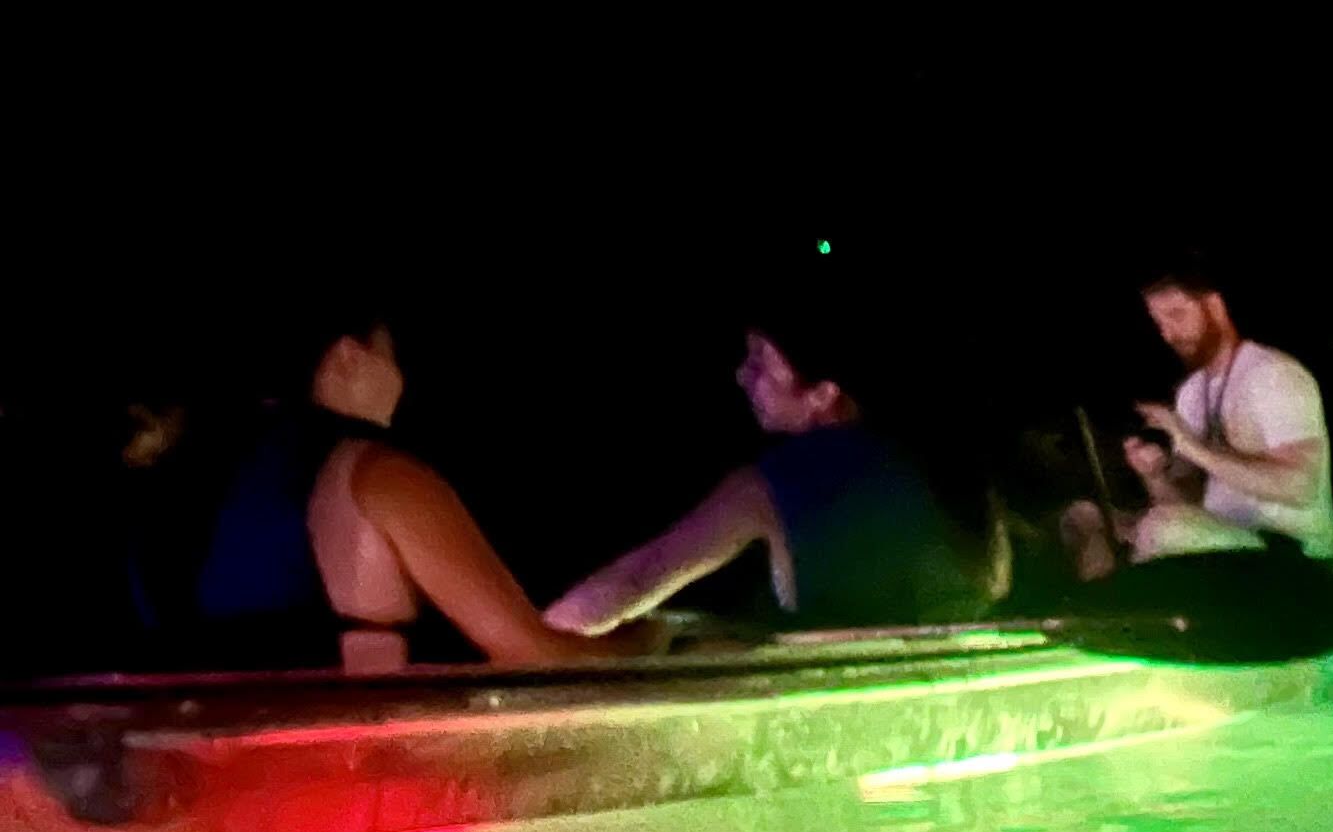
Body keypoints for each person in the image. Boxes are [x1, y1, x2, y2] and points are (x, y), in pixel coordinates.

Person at [192, 307, 645, 669]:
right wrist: (648, 649)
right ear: (350, 356)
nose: (400, 381)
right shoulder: (378, 475)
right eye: (391, 356)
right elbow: (532, 656)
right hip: (360, 767)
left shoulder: (219, 484)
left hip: (236, 771)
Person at [547, 311, 986, 632]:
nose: (742, 376)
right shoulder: (949, 465)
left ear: (823, 393)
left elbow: (634, 581)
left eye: (760, 362)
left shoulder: (780, 483)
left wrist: (528, 643)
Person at [1133, 263, 1333, 561]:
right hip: (1225, 542)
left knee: (1164, 529)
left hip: (1291, 552)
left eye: (1176, 316)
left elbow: (1301, 486)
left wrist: (1190, 445)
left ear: (1213, 307)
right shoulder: (1191, 392)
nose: (1168, 334)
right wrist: (1153, 475)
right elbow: (1182, 505)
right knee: (1087, 517)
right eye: (1158, 323)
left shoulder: (1272, 375)